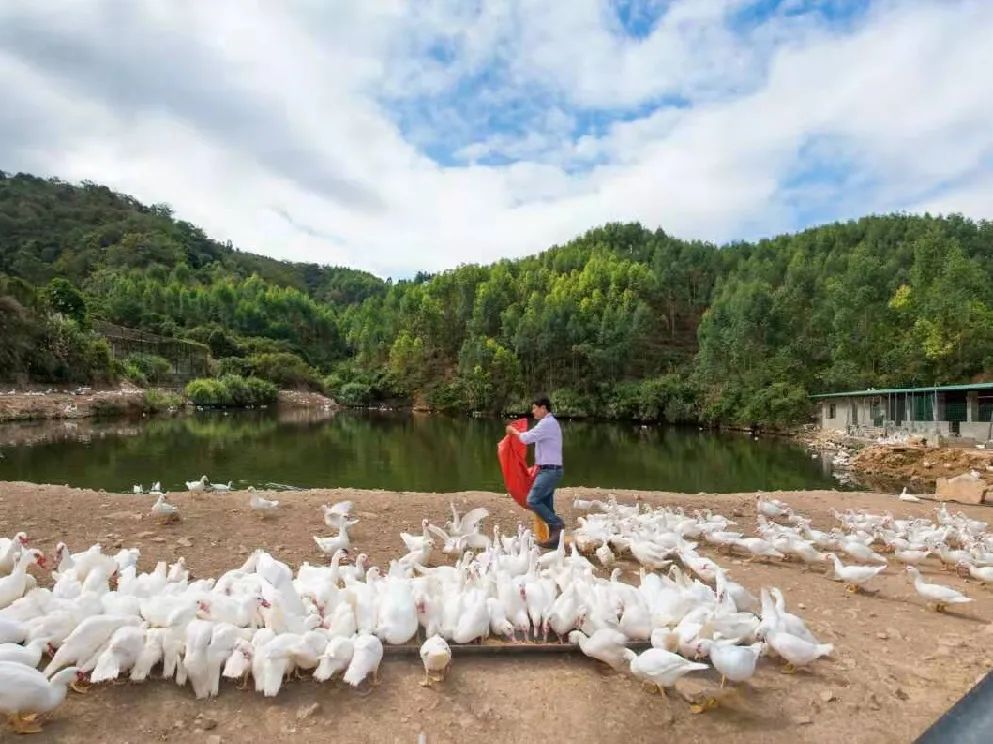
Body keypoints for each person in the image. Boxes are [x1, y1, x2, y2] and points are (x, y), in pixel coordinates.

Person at [505, 394, 564, 549]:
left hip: (549, 471)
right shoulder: (549, 423)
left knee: (533, 500)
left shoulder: (547, 423)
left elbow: (527, 438)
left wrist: (514, 431)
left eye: (534, 408)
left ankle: (557, 524)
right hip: (550, 469)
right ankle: (555, 539)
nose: (533, 412)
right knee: (546, 504)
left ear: (543, 408)